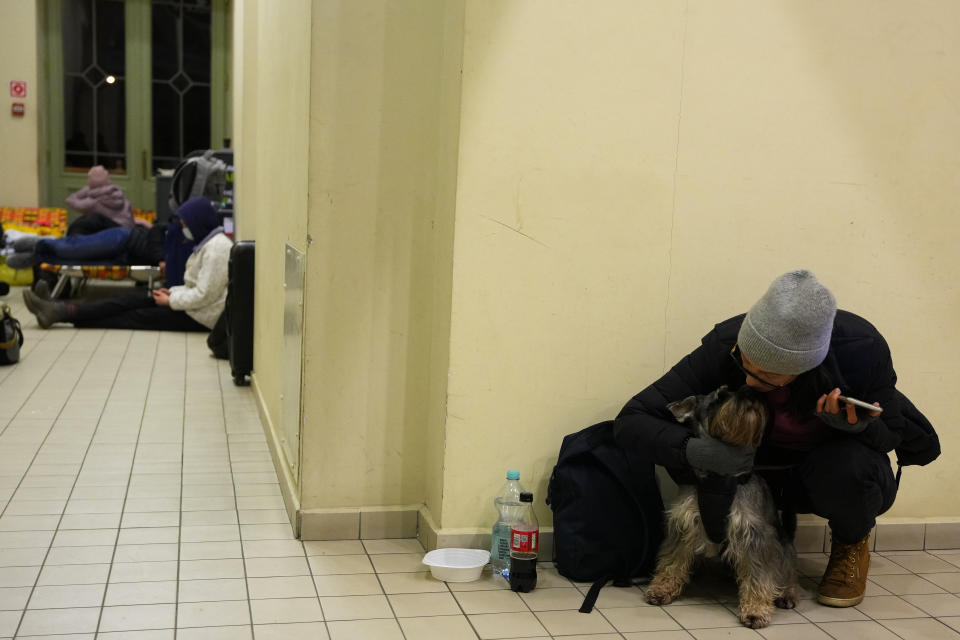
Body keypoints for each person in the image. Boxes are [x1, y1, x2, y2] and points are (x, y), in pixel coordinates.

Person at [614, 269, 939, 608]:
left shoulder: (862, 351)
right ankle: (719, 554)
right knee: (680, 441)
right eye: (746, 362)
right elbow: (632, 420)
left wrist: (854, 425)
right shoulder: (725, 344)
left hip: (815, 475)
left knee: (849, 465)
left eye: (768, 374)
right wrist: (694, 450)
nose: (751, 382)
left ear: (805, 366)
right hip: (748, 473)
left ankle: (850, 543)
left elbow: (890, 437)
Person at [20, 198, 232, 332]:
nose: (184, 229)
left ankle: (62, 313)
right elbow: (198, 288)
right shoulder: (207, 245)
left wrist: (171, 299)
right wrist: (172, 293)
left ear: (198, 222)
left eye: (186, 224)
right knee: (126, 301)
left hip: (198, 317)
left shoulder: (217, 249)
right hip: (187, 305)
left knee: (130, 317)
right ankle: (58, 309)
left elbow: (205, 295)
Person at [4, 223, 165, 270]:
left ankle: (38, 257)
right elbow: (156, 230)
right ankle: (40, 242)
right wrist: (161, 258)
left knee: (78, 263)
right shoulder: (179, 228)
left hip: (128, 258)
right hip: (125, 239)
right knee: (72, 249)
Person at [65, 165, 144, 233]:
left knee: (80, 226)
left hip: (114, 236)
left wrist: (88, 189)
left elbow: (71, 201)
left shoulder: (94, 202)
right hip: (130, 232)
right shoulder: (116, 192)